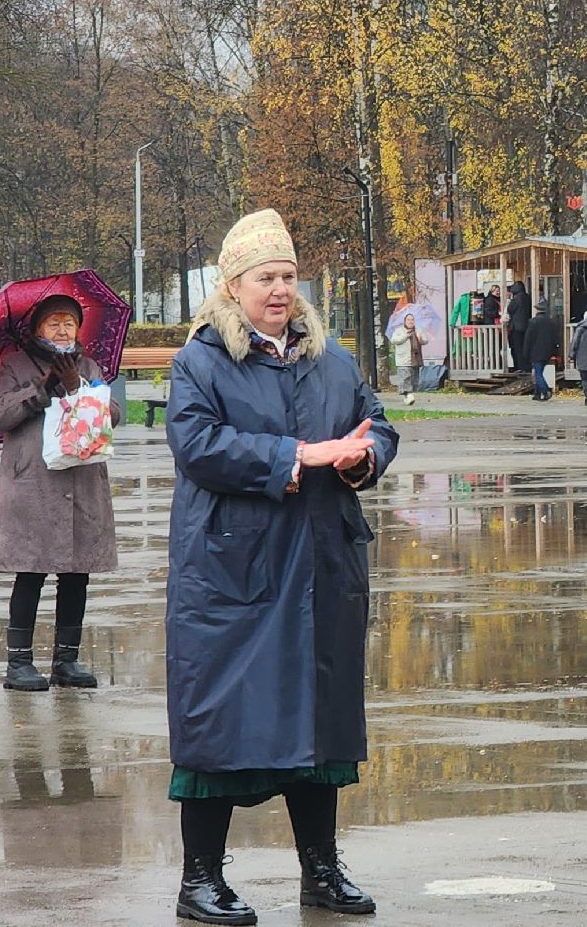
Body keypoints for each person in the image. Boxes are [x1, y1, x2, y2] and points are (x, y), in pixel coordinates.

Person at [164, 208, 399, 924]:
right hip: (234, 569)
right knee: (219, 718)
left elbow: (377, 424)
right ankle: (200, 879)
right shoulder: (201, 361)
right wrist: (296, 456)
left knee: (320, 721)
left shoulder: (333, 359)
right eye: (265, 276)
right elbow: (197, 445)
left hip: (323, 562)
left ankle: (320, 871)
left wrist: (362, 458)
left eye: (289, 276)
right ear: (233, 285)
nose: (279, 289)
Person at [0, 294, 117, 692]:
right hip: (33, 485)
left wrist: (79, 389)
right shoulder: (16, 365)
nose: (62, 330)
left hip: (81, 483)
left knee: (76, 574)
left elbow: (113, 415)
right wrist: (39, 390)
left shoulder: (88, 366)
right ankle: (19, 662)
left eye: (68, 323)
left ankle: (66, 659)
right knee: (30, 571)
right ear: (38, 328)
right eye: (54, 323)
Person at [525, 299, 563, 401]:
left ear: (537, 310)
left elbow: (528, 339)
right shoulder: (551, 322)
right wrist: (555, 352)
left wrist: (526, 352)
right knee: (539, 371)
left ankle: (546, 391)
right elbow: (555, 338)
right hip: (547, 352)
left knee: (538, 373)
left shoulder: (533, 322)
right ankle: (537, 394)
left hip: (536, 351)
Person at [506, 280, 532, 370]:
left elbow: (510, 309)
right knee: (525, 347)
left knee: (517, 348)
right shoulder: (528, 297)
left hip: (516, 327)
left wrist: (510, 300)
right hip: (527, 326)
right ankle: (526, 366)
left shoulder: (516, 298)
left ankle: (519, 367)